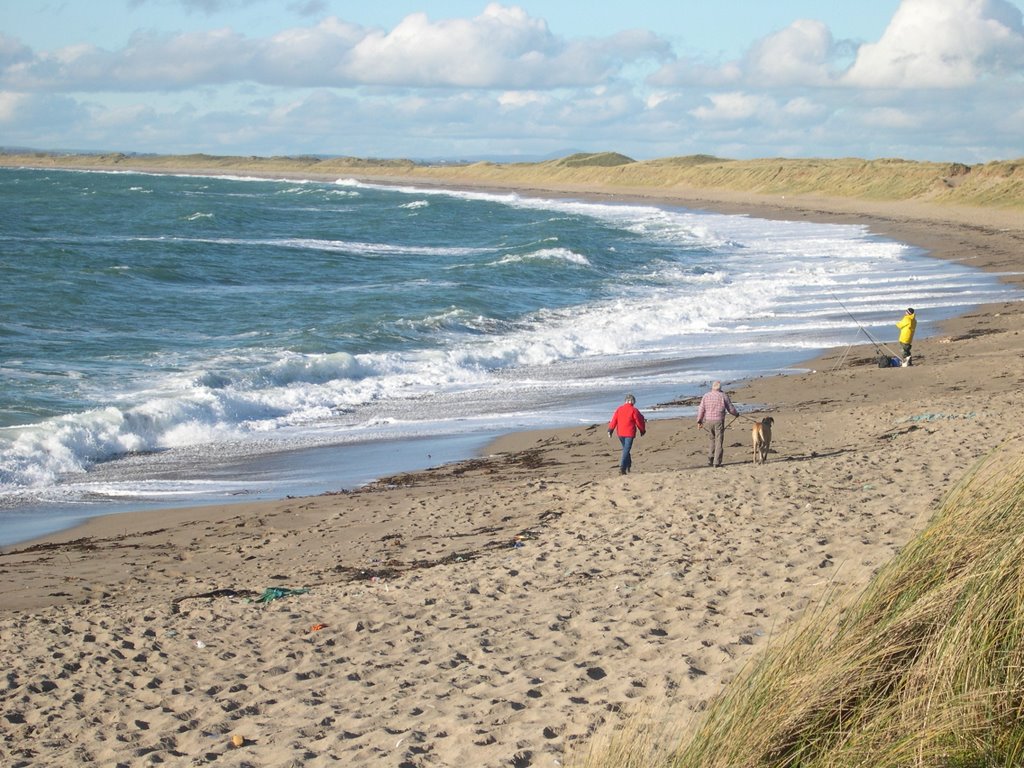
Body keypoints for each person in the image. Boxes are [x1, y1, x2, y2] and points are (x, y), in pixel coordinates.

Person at [696, 381, 739, 467]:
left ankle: (710, 459)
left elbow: (701, 409)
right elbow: (730, 408)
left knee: (711, 439)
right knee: (719, 441)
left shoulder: (706, 396)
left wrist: (699, 421)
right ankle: (716, 462)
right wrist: (736, 414)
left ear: (712, 387)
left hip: (708, 420)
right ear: (720, 388)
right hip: (719, 420)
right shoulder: (723, 396)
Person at [607, 393, 646, 475]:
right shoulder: (634, 410)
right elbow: (639, 421)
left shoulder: (619, 409)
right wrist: (642, 430)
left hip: (620, 433)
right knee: (626, 450)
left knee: (626, 449)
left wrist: (610, 430)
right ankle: (622, 468)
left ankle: (628, 465)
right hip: (629, 433)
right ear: (631, 401)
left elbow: (614, 420)